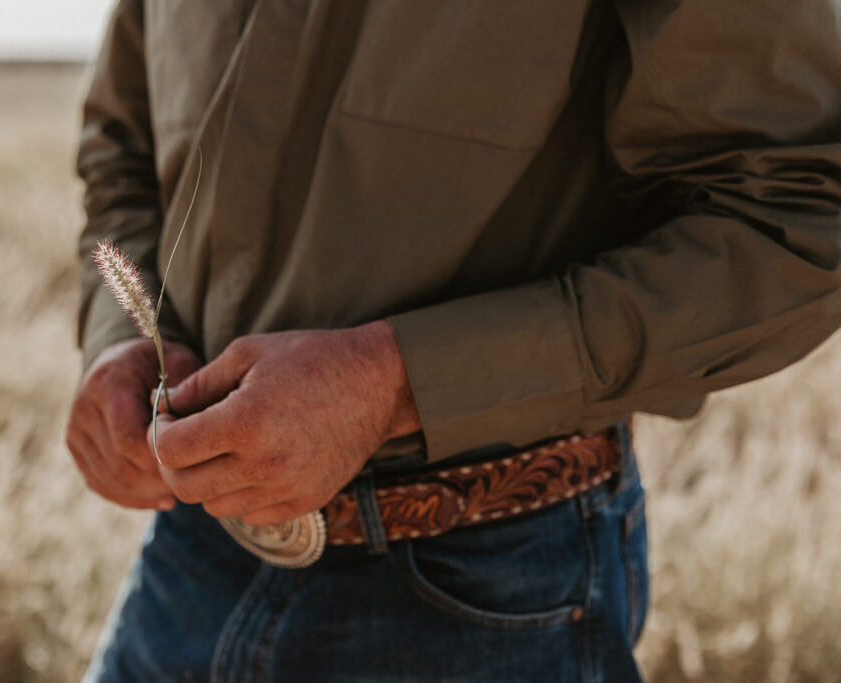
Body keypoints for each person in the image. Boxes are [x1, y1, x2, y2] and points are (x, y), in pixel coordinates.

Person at [65, 1, 841, 680]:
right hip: (184, 561)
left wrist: (397, 382)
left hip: (486, 587)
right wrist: (120, 334)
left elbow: (801, 215)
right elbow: (122, 147)